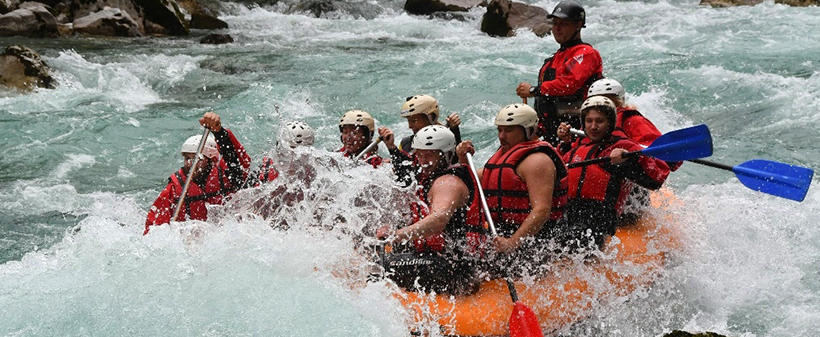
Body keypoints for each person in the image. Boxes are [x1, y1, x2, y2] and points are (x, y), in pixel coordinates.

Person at [456, 103, 568, 277]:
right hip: (503, 235)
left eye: (508, 131)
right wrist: (463, 160)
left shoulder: (538, 161)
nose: (502, 136)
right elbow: (473, 180)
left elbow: (542, 211)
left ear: (528, 131)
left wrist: (513, 243)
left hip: (536, 240)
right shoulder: (503, 156)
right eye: (500, 130)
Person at [375, 125, 485, 295]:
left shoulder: (448, 183)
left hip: (458, 268)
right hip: (439, 259)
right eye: (419, 154)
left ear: (446, 155)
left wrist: (396, 235)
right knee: (383, 254)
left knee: (380, 268)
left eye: (430, 154)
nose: (423, 160)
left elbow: (438, 220)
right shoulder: (429, 176)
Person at [560, 96, 670, 251]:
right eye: (589, 121)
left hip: (598, 217)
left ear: (610, 123)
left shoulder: (623, 146)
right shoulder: (579, 146)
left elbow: (656, 178)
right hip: (569, 213)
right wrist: (565, 145)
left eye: (600, 121)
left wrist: (628, 161)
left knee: (578, 239)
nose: (593, 126)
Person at [144, 112, 251, 235]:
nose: (190, 163)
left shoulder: (229, 175)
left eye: (197, 158)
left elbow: (235, 157)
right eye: (187, 158)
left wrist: (219, 132)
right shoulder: (173, 190)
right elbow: (153, 229)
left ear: (212, 160)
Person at [515, 0, 603, 146]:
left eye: (564, 24)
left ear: (578, 25)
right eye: (555, 24)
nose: (557, 28)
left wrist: (533, 90)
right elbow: (547, 102)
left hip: (577, 130)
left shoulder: (586, 53)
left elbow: (568, 84)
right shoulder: (553, 59)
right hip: (552, 130)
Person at [378, 94, 462, 186]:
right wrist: (392, 148)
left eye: (414, 121)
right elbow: (405, 175)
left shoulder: (447, 140)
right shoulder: (406, 143)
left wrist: (455, 130)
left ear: (432, 117)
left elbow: (456, 163)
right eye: (408, 121)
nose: (410, 126)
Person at [243, 121, 315, 188]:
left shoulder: (316, 173)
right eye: (286, 152)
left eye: (298, 153)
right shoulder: (264, 171)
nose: (292, 159)